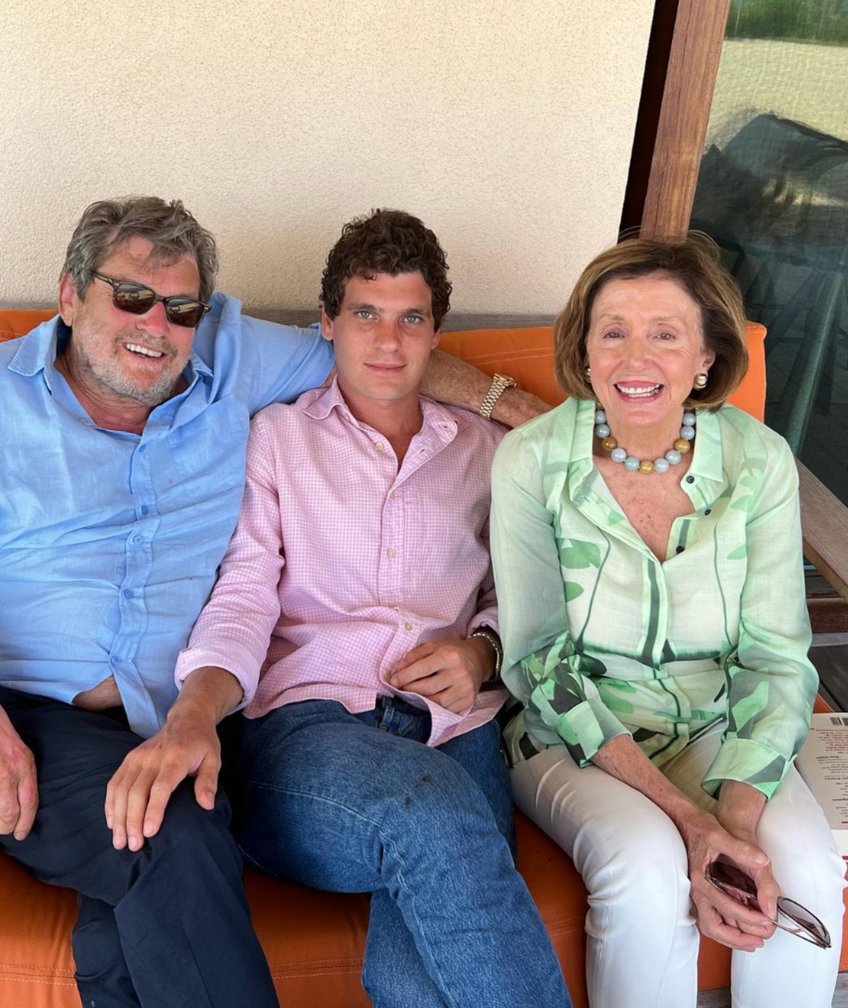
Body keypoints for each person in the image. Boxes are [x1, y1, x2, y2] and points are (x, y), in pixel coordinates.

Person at [0, 196, 546, 1008]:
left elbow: (381, 358)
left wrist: (517, 411)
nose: (156, 326)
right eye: (129, 297)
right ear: (70, 296)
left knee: (134, 902)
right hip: (33, 715)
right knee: (175, 824)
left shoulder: (227, 360)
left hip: (185, 717)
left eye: (179, 308)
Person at [174, 209, 571, 1008]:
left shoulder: (487, 451)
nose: (387, 343)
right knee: (429, 813)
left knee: (414, 978)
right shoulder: (277, 439)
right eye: (365, 315)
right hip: (306, 737)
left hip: (452, 729)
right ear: (326, 323)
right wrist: (196, 702)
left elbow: (529, 592)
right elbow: (245, 591)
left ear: (435, 332)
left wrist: (484, 651)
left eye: (410, 319)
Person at [489, 233, 844, 1008]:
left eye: (664, 334)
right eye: (612, 330)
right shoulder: (533, 461)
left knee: (809, 871)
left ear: (707, 357)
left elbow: (778, 657)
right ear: (584, 351)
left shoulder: (760, 462)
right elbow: (538, 661)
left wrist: (738, 817)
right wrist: (692, 821)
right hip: (576, 733)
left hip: (722, 720)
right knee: (646, 873)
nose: (633, 357)